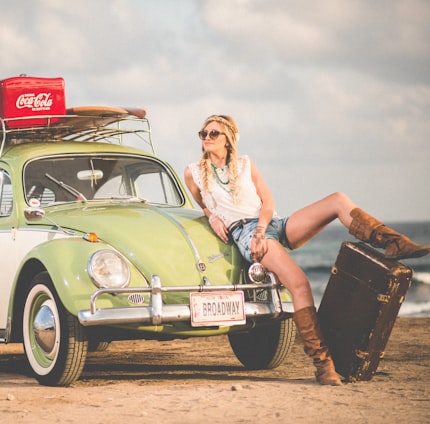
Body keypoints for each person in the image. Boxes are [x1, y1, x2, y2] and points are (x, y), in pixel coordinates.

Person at [184, 114, 430, 386]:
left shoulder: (245, 164)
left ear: (228, 139)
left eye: (213, 133)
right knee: (300, 284)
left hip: (269, 225)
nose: (206, 137)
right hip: (245, 234)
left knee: (337, 200)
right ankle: (323, 365)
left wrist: (263, 229)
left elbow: (268, 202)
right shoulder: (193, 172)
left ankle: (392, 242)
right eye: (203, 133)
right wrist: (214, 217)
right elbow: (205, 205)